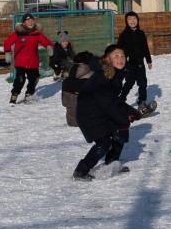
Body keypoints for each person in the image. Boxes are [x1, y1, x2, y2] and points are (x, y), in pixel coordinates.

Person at [72, 43, 140, 180]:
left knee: (119, 133)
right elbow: (108, 104)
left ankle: (111, 163)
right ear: (108, 59)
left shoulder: (115, 74)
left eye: (122, 56)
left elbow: (113, 101)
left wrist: (130, 111)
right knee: (104, 143)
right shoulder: (104, 77)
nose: (121, 59)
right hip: (89, 115)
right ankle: (81, 171)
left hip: (99, 111)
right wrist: (124, 119)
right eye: (116, 56)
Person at [4, 14, 53, 104]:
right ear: (24, 23)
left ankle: (29, 94)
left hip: (33, 61)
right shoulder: (18, 33)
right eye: (28, 20)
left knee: (35, 77)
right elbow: (7, 42)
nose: (30, 22)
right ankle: (14, 94)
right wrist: (7, 52)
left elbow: (45, 41)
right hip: (21, 61)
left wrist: (49, 46)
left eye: (31, 20)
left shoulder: (37, 33)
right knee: (20, 79)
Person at [116, 11, 155, 111]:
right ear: (126, 21)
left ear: (137, 20)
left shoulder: (141, 33)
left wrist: (149, 60)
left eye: (134, 19)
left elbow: (145, 48)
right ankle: (120, 100)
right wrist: (120, 60)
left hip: (140, 63)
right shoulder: (124, 34)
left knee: (143, 83)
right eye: (130, 19)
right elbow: (118, 49)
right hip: (129, 64)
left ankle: (142, 102)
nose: (132, 21)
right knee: (129, 82)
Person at [60, 49, 97, 128]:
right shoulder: (93, 79)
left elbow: (64, 103)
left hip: (71, 121)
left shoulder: (66, 81)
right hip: (89, 121)